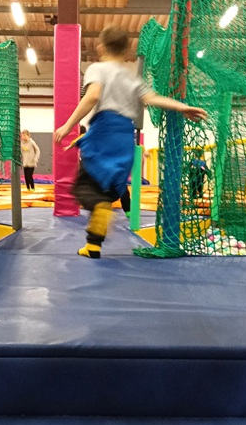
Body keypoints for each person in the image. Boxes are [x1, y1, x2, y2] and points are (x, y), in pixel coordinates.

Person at [54, 25, 208, 259]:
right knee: (108, 190)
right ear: (127, 51)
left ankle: (99, 214)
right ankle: (93, 246)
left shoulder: (97, 69)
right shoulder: (132, 78)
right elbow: (152, 98)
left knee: (85, 186)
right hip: (125, 136)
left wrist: (68, 125)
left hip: (104, 131)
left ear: (101, 47)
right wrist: (182, 107)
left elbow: (93, 96)